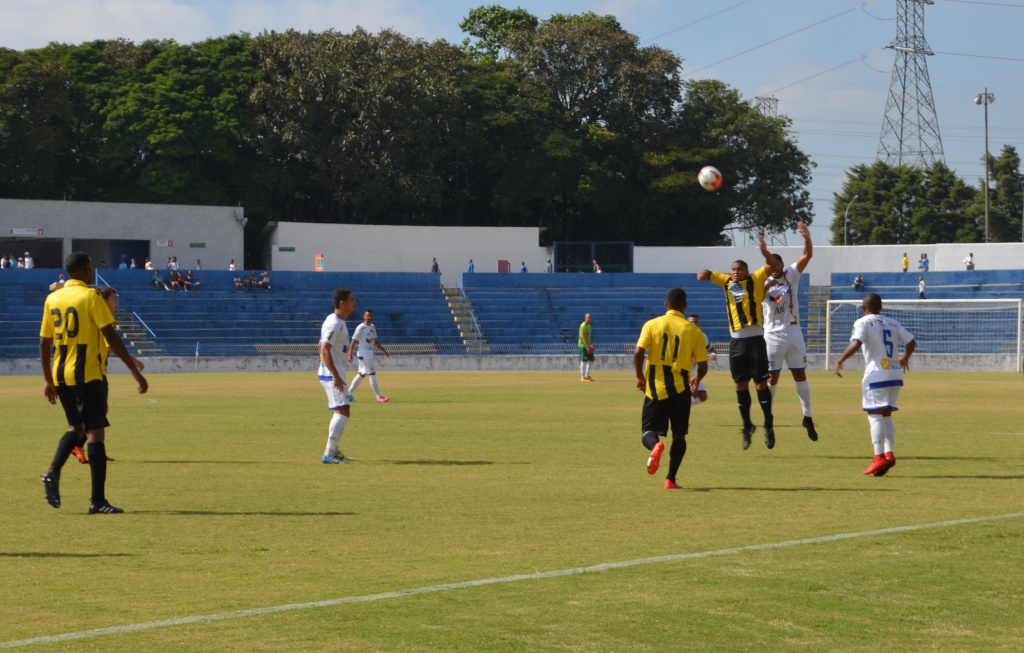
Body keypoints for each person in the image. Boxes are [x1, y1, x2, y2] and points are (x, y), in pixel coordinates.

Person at [39, 252, 148, 514]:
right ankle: (98, 501)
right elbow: (111, 335)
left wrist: (47, 380)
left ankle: (53, 470)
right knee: (94, 433)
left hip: (61, 374)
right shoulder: (91, 297)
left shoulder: (52, 299)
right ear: (88, 271)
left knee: (75, 427)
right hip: (89, 374)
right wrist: (135, 371)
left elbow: (44, 342)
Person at [697, 234, 779, 450]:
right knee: (739, 384)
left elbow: (772, 264)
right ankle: (747, 425)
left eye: (739, 269)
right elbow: (710, 273)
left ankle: (768, 425)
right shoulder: (726, 282)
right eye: (733, 269)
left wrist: (764, 251)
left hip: (755, 340)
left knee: (761, 383)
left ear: (746, 270)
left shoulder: (756, 279)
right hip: (736, 343)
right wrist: (704, 273)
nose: (735, 272)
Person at [833, 292, 916, 476]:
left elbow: (856, 343)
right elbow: (911, 341)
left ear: (864, 309)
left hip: (876, 373)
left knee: (874, 415)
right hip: (894, 371)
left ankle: (878, 457)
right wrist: (904, 357)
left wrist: (840, 360)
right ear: (881, 307)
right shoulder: (892, 322)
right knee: (886, 415)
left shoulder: (862, 322)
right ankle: (889, 453)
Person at [634, 288, 709, 490]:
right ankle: (670, 479)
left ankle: (654, 446)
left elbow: (638, 352)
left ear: (666, 305)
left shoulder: (652, 324)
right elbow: (703, 365)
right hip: (681, 390)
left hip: (655, 387)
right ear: (685, 306)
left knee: (648, 430)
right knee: (679, 435)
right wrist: (696, 378)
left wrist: (640, 376)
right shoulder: (694, 331)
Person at [69, 286, 145, 465]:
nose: (116, 302)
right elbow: (111, 344)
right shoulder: (99, 317)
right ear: (103, 301)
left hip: (96, 371)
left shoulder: (102, 317)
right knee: (93, 414)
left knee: (100, 411)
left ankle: (95, 449)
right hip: (88, 373)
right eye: (113, 299)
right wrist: (134, 363)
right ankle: (77, 446)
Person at [763, 221, 818, 442]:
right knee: (772, 378)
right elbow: (756, 298)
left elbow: (808, 255)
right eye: (771, 265)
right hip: (773, 335)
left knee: (800, 375)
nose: (775, 268)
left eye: (777, 264)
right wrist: (768, 283)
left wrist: (807, 237)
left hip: (794, 332)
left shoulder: (791, 274)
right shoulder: (762, 282)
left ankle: (807, 417)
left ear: (782, 264)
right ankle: (768, 422)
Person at [318, 288, 357, 464]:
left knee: (342, 410)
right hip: (331, 374)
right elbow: (324, 348)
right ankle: (329, 454)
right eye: (351, 299)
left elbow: (321, 343)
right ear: (342, 302)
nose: (354, 302)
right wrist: (334, 375)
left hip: (334, 372)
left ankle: (333, 450)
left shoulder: (337, 321)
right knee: (343, 410)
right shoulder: (334, 323)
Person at [346, 309, 391, 403]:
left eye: (371, 315)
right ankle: (378, 396)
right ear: (364, 316)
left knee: (361, 374)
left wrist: (384, 350)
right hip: (363, 353)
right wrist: (350, 354)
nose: (369, 317)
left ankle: (348, 394)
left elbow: (374, 341)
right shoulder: (360, 328)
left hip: (369, 353)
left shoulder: (372, 327)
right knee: (372, 373)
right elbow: (353, 340)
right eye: (368, 315)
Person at [686, 315, 714, 405]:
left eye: (695, 322)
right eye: (691, 322)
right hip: (684, 370)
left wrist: (713, 354)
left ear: (699, 323)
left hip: (693, 371)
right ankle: (680, 412)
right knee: (692, 394)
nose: (693, 324)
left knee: (702, 395)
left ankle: (680, 410)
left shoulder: (702, 336)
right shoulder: (683, 335)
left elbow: (711, 349)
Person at [578, 313, 595, 381]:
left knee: (591, 359)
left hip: (588, 345)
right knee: (584, 360)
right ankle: (582, 377)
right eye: (588, 318)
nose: (590, 319)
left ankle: (587, 375)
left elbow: (588, 336)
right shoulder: (583, 325)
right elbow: (583, 337)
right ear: (585, 318)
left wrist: (591, 344)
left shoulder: (589, 326)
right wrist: (587, 346)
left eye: (590, 318)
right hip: (583, 345)